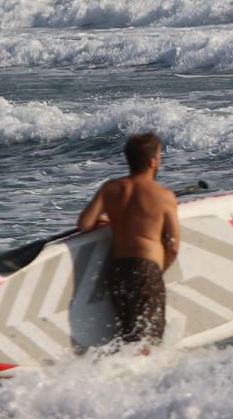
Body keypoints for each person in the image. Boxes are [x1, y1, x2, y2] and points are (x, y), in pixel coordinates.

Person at [78, 133, 179, 350]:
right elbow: (173, 244)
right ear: (152, 161)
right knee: (148, 342)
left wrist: (108, 219)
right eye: (159, 156)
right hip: (146, 269)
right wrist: (158, 270)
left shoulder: (111, 189)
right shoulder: (163, 196)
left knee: (128, 336)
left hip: (117, 270)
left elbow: (85, 223)